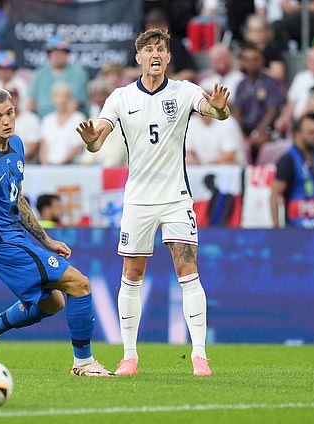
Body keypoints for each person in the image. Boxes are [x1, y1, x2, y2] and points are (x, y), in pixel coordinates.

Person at [76, 28, 231, 377]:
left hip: (176, 197)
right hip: (138, 201)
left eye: (161, 48)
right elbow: (98, 140)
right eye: (149, 49)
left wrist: (220, 110)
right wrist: (90, 142)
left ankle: (199, 356)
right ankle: (129, 356)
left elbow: (214, 110)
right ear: (139, 58)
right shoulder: (120, 97)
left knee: (188, 273)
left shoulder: (185, 91)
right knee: (132, 275)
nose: (155, 54)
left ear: (169, 57)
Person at [0, 88, 113, 377]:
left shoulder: (17, 145)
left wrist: (46, 240)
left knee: (53, 302)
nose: (6, 121)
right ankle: (84, 363)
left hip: (12, 236)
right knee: (80, 285)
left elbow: (17, 198)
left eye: (10, 113)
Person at [231, 44, 284, 163]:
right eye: (247, 60)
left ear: (261, 60)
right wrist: (241, 134)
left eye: (254, 59)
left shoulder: (271, 83)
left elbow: (272, 112)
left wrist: (256, 134)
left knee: (259, 141)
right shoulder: (241, 84)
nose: (251, 63)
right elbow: (237, 111)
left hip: (265, 129)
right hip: (245, 128)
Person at [270, 114, 314, 229]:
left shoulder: (313, 158)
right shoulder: (288, 160)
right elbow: (274, 195)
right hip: (295, 229)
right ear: (298, 134)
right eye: (311, 133)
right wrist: (276, 228)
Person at [27, 35, 88, 118]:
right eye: (53, 52)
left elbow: (74, 104)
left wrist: (57, 124)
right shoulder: (40, 73)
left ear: (67, 54)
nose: (57, 55)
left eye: (61, 52)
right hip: (41, 121)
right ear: (49, 54)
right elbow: (30, 102)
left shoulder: (78, 73)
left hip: (69, 120)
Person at [39, 83, 86, 165]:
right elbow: (44, 146)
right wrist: (45, 165)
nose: (61, 100)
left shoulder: (78, 118)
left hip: (71, 166)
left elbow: (77, 147)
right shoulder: (47, 120)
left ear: (69, 98)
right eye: (57, 96)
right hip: (49, 166)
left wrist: (61, 165)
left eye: (64, 96)